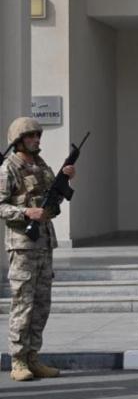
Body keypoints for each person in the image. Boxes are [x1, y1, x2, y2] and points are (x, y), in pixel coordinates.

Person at [0, 117, 75, 381]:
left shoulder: (41, 165)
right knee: (23, 304)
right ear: (18, 140)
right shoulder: (9, 168)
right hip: (22, 246)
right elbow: (1, 205)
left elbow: (52, 203)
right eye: (30, 136)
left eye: (37, 135)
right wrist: (25, 212)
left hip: (44, 244)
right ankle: (18, 360)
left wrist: (65, 182)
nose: (36, 140)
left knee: (42, 304)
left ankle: (33, 357)